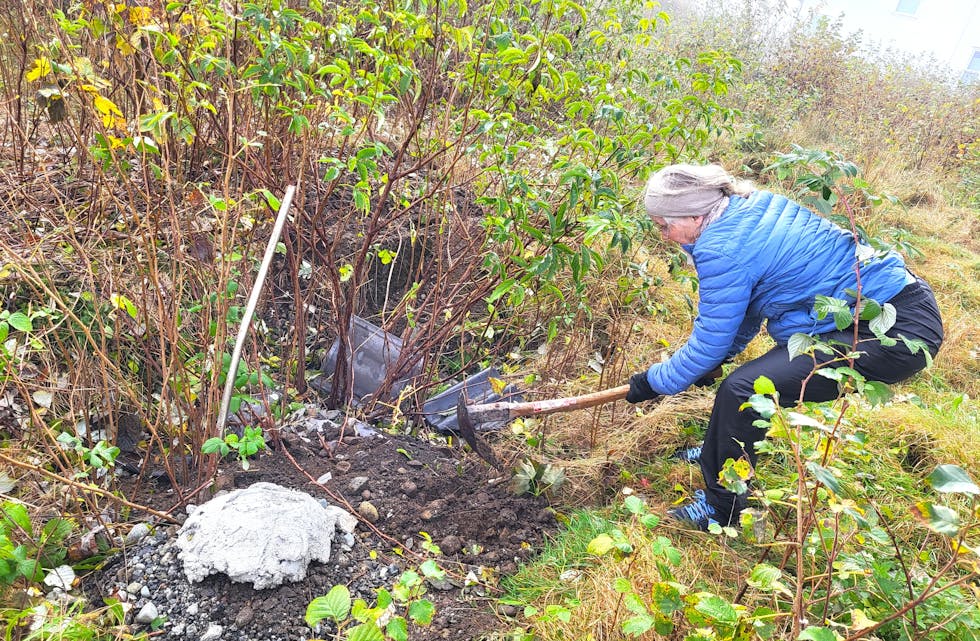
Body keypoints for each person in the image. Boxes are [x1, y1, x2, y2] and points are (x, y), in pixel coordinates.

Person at [624, 164, 944, 531]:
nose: (663, 235)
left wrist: (652, 383)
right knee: (747, 386)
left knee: (743, 388)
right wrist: (721, 357)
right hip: (902, 303)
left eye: (665, 225)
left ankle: (721, 510)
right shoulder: (747, 207)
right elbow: (743, 311)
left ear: (695, 215)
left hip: (892, 332)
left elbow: (708, 342)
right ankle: (721, 454)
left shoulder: (721, 246)